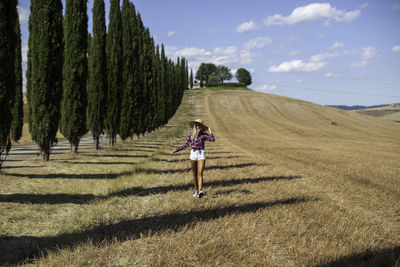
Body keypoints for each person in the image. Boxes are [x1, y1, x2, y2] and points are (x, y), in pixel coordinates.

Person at [172, 119, 215, 197]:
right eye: (196, 125)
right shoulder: (191, 135)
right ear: (194, 126)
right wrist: (177, 149)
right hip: (193, 154)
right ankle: (196, 190)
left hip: (201, 153)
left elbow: (212, 139)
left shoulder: (204, 135)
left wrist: (210, 131)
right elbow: (186, 145)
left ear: (201, 127)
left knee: (200, 173)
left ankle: (200, 190)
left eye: (199, 125)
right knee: (194, 174)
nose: (197, 126)